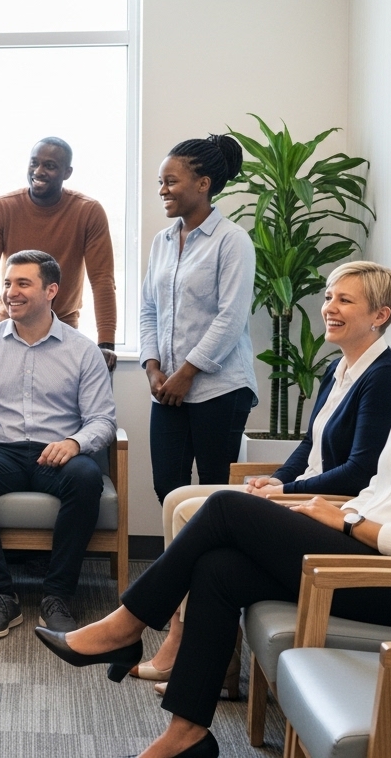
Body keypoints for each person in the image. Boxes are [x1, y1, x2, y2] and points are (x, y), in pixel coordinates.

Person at [38, 280, 391, 758]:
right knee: (219, 570)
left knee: (226, 507)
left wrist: (348, 524)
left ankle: (125, 626)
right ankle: (187, 735)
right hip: (370, 557)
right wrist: (342, 514)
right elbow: (379, 491)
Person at [134, 261, 391, 682]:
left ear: (380, 316)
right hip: (306, 491)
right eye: (328, 298)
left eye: (344, 300)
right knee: (177, 497)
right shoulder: (337, 367)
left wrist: (291, 491)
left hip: (330, 503)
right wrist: (280, 480)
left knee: (194, 510)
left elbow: (360, 471)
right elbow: (309, 444)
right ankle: (187, 636)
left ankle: (184, 640)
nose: (329, 308)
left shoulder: (384, 379)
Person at [0, 250, 116, 638]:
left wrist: (75, 442)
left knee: (87, 478)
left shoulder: (82, 349)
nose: (11, 292)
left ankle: (57, 597)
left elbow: (103, 420)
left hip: (57, 453)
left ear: (51, 290)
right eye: (7, 284)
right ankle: (0, 596)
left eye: (23, 283)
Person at [140, 134, 259, 508]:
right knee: (167, 486)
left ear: (203, 184)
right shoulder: (162, 240)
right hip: (167, 389)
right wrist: (152, 367)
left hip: (219, 388)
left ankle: (205, 568)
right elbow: (149, 309)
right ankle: (182, 564)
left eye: (171, 181)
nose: (162, 190)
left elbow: (232, 318)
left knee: (214, 490)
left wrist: (187, 373)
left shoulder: (232, 240)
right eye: (161, 182)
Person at [0, 137, 118, 369]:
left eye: (50, 165)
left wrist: (106, 342)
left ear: (67, 172)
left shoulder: (88, 212)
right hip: (11, 324)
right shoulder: (2, 208)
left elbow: (102, 280)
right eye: (34, 163)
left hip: (63, 327)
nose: (39, 171)